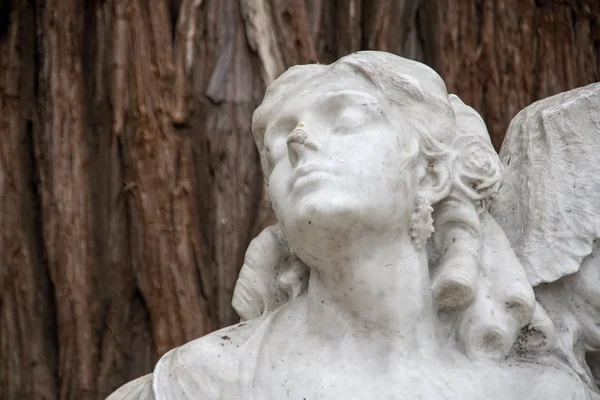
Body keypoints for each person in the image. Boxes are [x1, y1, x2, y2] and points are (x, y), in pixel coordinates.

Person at [108, 52, 596, 399]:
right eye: (278, 143)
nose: (298, 141)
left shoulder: (538, 390)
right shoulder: (198, 383)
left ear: (430, 172)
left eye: (343, 119)